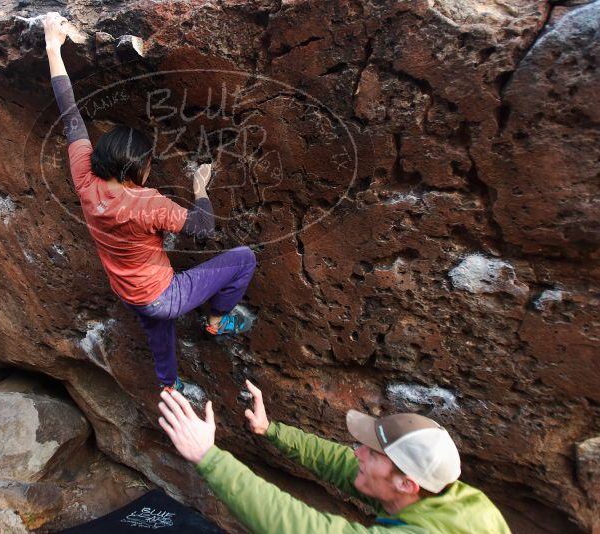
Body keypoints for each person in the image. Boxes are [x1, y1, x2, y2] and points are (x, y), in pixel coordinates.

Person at [44, 13, 257, 392]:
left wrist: (52, 47)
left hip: (128, 292)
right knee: (244, 259)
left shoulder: (85, 180)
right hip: (163, 294)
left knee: (158, 331)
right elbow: (203, 229)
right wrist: (200, 187)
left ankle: (167, 385)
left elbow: (71, 117)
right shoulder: (148, 203)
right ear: (138, 169)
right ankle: (216, 322)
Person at [157, 381, 511, 533]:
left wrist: (209, 456)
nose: (356, 451)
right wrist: (272, 430)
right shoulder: (448, 497)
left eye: (372, 453)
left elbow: (300, 527)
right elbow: (339, 463)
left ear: (407, 483)